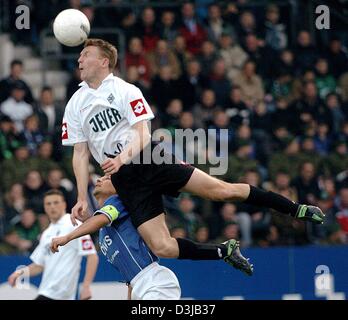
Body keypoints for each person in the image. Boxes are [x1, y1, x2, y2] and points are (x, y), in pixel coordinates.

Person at [63, 38, 324, 275]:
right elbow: (80, 152)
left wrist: (121, 158)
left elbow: (143, 133)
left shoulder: (125, 90)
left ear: (103, 61)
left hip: (150, 159)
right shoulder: (75, 103)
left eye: (86, 54)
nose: (79, 60)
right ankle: (224, 251)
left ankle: (294, 208)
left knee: (222, 191)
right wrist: (81, 197)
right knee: (162, 247)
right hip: (126, 181)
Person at [51, 175, 182, 300]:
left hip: (155, 281)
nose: (100, 179)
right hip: (139, 286)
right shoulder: (103, 232)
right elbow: (130, 278)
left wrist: (67, 238)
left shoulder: (118, 201)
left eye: (107, 178)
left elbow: (102, 218)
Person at [7, 190, 99, 300]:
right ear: (45, 207)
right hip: (47, 291)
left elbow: (92, 256)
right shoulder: (46, 233)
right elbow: (39, 266)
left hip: (60, 293)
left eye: (56, 202)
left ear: (64, 204)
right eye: (48, 204)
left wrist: (86, 286)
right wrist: (19, 273)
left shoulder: (74, 225)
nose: (52, 207)